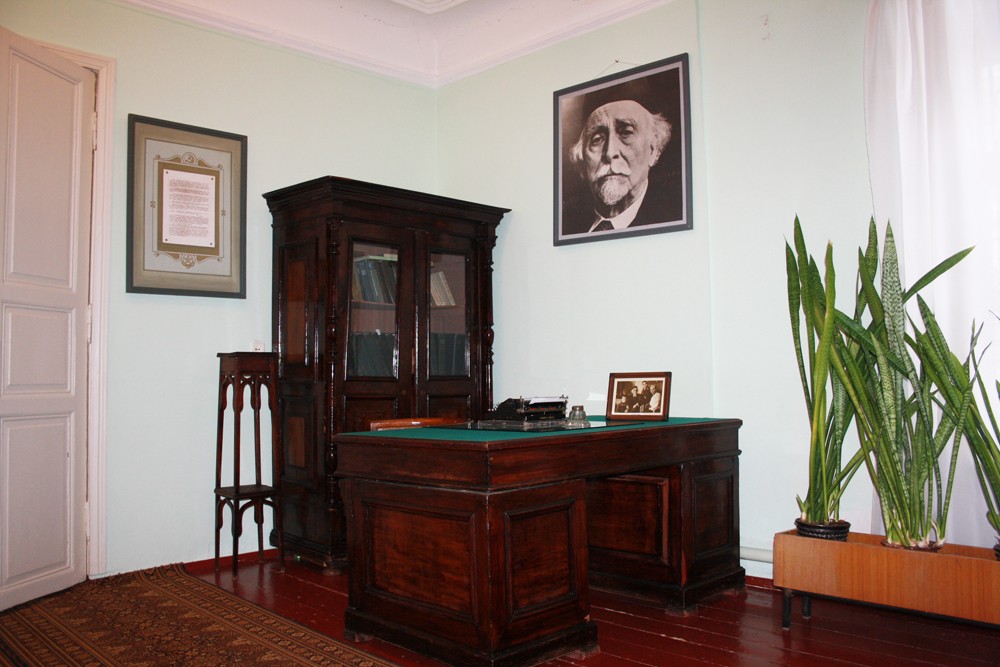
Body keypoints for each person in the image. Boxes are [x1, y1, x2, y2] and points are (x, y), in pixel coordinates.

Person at [563, 99, 673, 235]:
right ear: (581, 161)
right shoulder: (564, 224)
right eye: (597, 139)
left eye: (626, 132)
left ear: (653, 151)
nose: (610, 153)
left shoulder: (673, 216)